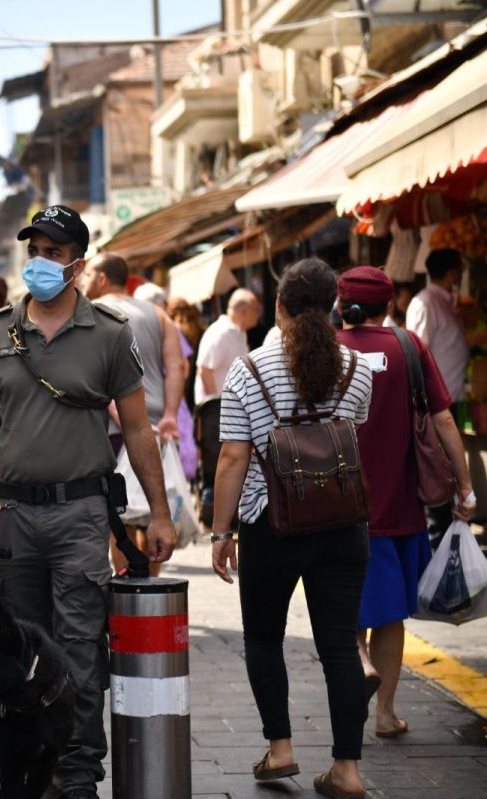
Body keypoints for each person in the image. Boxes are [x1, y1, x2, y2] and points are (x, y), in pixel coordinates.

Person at [0, 205, 175, 798]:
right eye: (34, 249)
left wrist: (158, 513)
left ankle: (79, 771)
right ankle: (29, 765)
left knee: (81, 648)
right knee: (20, 648)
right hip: (11, 518)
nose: (40, 261)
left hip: (81, 516)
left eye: (53, 253)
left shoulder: (109, 334)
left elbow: (138, 429)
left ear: (79, 265)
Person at [210, 258, 374, 798]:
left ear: (277, 305)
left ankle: (280, 750)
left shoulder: (248, 369)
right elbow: (352, 433)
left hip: (271, 524)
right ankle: (347, 770)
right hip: (342, 523)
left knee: (263, 637)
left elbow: (233, 456)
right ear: (332, 306)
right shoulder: (356, 367)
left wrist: (220, 533)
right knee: (340, 648)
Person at [335, 266, 474, 739]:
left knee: (347, 600)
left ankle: (355, 659)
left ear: (341, 302)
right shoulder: (409, 347)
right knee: (390, 612)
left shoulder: (326, 350)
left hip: (336, 506)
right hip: (398, 507)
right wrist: (466, 485)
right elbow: (445, 422)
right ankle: (386, 713)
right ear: (389, 304)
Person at [84, 253, 187, 577]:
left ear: (101, 279)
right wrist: (170, 413)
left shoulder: (94, 314)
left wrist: (114, 410)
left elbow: (93, 373)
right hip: (155, 427)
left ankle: (127, 588)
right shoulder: (158, 314)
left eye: (87, 274)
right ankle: (149, 588)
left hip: (114, 430)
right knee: (153, 512)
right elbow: (177, 366)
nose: (82, 280)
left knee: (120, 515)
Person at [407, 249, 485, 402]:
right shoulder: (426, 303)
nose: (462, 275)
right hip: (436, 404)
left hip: (451, 397)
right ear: (452, 274)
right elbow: (415, 355)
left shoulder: (443, 302)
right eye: (461, 270)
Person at [195, 288, 261, 402]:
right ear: (244, 312)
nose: (259, 314)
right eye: (256, 309)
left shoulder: (241, 333)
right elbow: (204, 370)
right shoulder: (221, 332)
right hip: (216, 412)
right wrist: (216, 405)